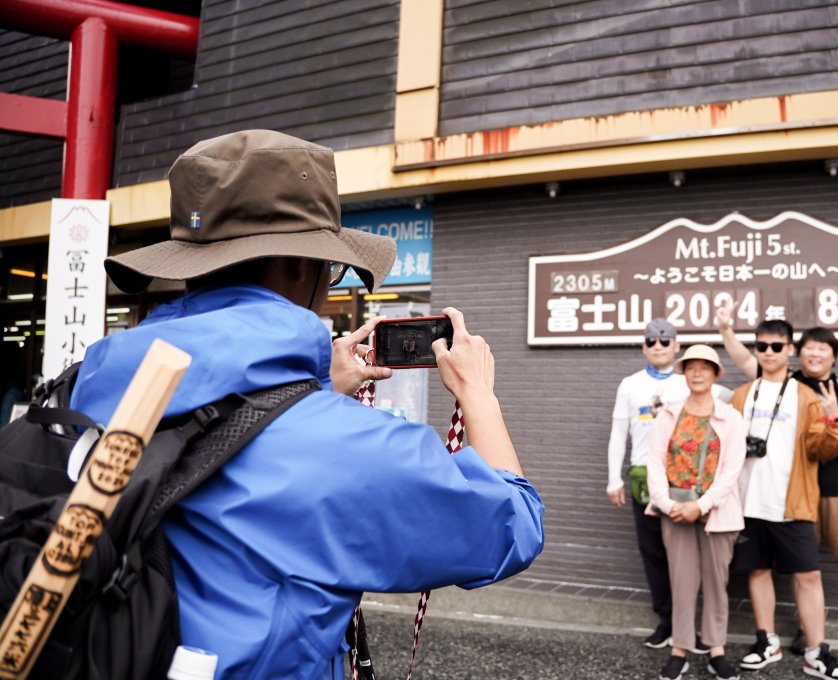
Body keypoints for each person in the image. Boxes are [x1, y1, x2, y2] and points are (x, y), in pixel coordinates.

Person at [69, 130, 545, 678]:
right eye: (333, 269)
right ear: (301, 267)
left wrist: (303, 393)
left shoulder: (85, 386)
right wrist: (477, 395)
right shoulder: (346, 446)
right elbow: (512, 527)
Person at [715, 309, 838, 647]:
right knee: (802, 564)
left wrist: (820, 443)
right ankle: (805, 629)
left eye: (823, 349)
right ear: (798, 351)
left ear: (834, 357)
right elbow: (744, 357)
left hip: (836, 487)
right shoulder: (784, 381)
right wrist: (725, 329)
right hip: (787, 491)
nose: (815, 353)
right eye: (810, 347)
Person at [715, 315, 838, 679]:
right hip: (748, 503)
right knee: (758, 571)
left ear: (790, 350)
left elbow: (822, 450)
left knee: (808, 576)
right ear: (756, 349)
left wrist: (834, 420)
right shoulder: (742, 395)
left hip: (792, 504)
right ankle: (767, 642)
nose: (769, 352)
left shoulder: (806, 397)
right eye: (762, 346)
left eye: (777, 346)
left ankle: (816, 653)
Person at [606, 318, 730, 650]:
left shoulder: (690, 380)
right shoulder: (630, 385)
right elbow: (619, 433)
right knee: (654, 553)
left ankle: (692, 627)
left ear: (676, 346)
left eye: (665, 340)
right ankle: (667, 620)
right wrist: (613, 479)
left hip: (687, 484)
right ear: (643, 346)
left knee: (693, 559)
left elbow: (732, 401)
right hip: (644, 478)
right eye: (651, 341)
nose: (658, 346)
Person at [646, 345, 745, 680]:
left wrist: (700, 506)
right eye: (692, 367)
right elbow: (655, 463)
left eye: (706, 367)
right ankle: (680, 649)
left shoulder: (731, 417)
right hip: (673, 511)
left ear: (716, 374)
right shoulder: (668, 414)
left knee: (718, 583)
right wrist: (669, 504)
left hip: (717, 514)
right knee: (682, 581)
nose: (698, 373)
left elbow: (732, 471)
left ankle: (716, 649)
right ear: (684, 373)